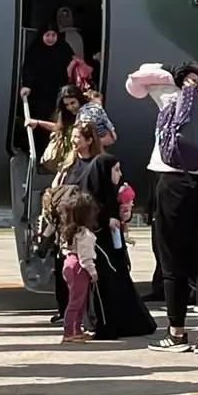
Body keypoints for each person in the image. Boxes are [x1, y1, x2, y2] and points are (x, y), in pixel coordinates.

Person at [131, 62, 198, 356]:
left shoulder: (170, 98)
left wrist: (172, 74)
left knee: (171, 261)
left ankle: (177, 332)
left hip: (173, 183)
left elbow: (136, 78)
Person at [64, 126, 156, 340]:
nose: (120, 174)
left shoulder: (110, 193)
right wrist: (108, 219)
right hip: (101, 242)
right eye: (116, 170)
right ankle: (104, 323)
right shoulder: (83, 185)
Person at [51, 190, 98, 344]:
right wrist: (93, 272)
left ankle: (76, 330)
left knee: (78, 299)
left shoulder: (69, 231)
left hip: (69, 263)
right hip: (79, 267)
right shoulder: (86, 235)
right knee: (77, 301)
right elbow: (86, 257)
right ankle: (69, 331)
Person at [19, 23, 75, 152]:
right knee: (38, 119)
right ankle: (35, 151)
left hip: (58, 93)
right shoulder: (35, 50)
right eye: (47, 35)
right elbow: (28, 69)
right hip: (39, 94)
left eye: (53, 35)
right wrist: (28, 85)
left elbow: (72, 66)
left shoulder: (63, 48)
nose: (50, 38)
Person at [28, 85, 87, 174]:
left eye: (73, 103)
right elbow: (57, 127)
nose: (70, 107)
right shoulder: (65, 114)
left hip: (79, 158)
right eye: (67, 105)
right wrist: (38, 123)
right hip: (66, 156)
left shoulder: (87, 115)